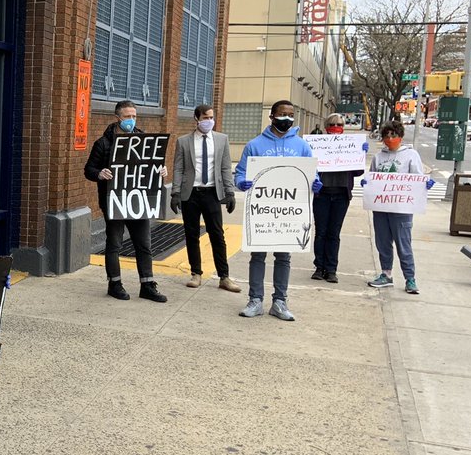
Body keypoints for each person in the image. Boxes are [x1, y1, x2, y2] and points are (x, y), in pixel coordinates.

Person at [234, 100, 320, 321]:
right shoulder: (254, 145)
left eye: (291, 114)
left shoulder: (301, 146)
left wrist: (315, 183)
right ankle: (255, 300)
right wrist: (241, 182)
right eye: (283, 114)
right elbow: (240, 173)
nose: (287, 118)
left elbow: (312, 173)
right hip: (263, 210)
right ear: (272, 116)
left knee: (284, 257)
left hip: (290, 211)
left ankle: (280, 302)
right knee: (258, 255)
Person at [84, 100, 167, 303]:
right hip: (115, 201)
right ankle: (115, 283)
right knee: (114, 244)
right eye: (127, 116)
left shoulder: (142, 140)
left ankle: (147, 285)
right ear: (117, 118)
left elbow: (150, 167)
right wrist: (100, 174)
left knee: (144, 244)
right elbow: (89, 170)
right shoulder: (103, 143)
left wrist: (161, 171)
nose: (131, 120)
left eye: (134, 116)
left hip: (138, 200)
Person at [170, 104, 240, 292]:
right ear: (197, 119)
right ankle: (196, 273)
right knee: (191, 234)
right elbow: (178, 167)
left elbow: (225, 167)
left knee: (217, 234)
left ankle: (224, 277)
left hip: (211, 193)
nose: (209, 121)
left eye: (211, 117)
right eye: (205, 118)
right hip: (190, 193)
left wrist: (230, 191)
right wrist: (175, 192)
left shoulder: (221, 139)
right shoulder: (184, 141)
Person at [364, 122, 434, 295]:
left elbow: (417, 178)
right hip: (381, 207)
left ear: (400, 136)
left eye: (393, 135)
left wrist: (425, 183)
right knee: (383, 243)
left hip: (401, 209)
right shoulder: (379, 157)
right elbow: (373, 176)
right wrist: (367, 183)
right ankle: (386, 274)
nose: (390, 139)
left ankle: (410, 278)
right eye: (387, 136)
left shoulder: (411, 155)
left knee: (404, 244)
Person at [311, 113, 367, 284]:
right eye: (333, 124)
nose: (336, 127)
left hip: (341, 195)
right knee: (321, 232)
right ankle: (319, 267)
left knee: (334, 233)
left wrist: (360, 154)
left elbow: (358, 172)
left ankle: (331, 269)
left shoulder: (350, 145)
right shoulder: (318, 144)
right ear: (327, 126)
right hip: (322, 194)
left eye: (340, 124)